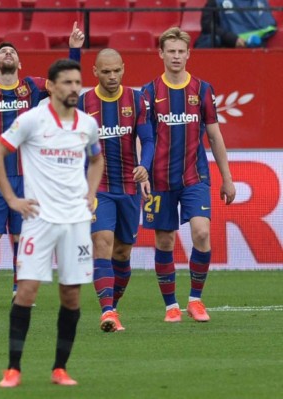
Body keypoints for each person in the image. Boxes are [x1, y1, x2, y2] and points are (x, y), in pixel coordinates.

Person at [0, 20, 86, 304]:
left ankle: (16, 288)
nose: (7, 53)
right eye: (2, 52)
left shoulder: (32, 87)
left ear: (20, 63)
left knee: (21, 238)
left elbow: (65, 85)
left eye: (11, 51)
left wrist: (74, 51)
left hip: (27, 176)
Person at [0, 58, 104, 388]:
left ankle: (60, 369)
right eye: (67, 83)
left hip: (76, 222)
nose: (74, 89)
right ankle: (13, 369)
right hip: (39, 221)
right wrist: (12, 200)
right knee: (26, 291)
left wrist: (91, 193)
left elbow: (97, 158)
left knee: (71, 296)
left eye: (77, 83)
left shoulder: (87, 124)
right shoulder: (31, 121)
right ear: (51, 86)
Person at [141, 27, 236, 323]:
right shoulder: (148, 93)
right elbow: (142, 137)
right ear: (161, 54)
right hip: (158, 179)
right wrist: (141, 172)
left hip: (195, 176)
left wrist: (228, 177)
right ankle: (171, 305)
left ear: (188, 53)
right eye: (171, 51)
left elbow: (215, 136)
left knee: (202, 232)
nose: (176, 56)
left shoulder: (203, 90)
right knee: (165, 241)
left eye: (181, 51)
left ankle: (195, 299)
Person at [78, 48, 154, 332]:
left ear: (124, 68)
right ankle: (107, 311)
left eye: (116, 71)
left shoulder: (137, 100)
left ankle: (113, 303)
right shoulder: (83, 102)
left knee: (122, 252)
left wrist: (144, 165)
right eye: (105, 71)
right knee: (102, 243)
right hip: (99, 188)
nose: (112, 76)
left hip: (129, 186)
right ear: (94, 72)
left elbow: (147, 139)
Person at [195, 0, 277, 48]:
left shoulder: (259, 2)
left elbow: (269, 27)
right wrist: (232, 39)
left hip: (251, 48)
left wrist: (250, 41)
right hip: (224, 44)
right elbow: (207, 25)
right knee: (209, 40)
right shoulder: (216, 2)